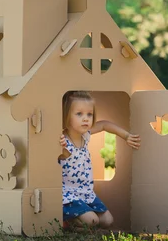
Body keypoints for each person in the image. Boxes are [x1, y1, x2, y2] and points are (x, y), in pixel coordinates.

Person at [58, 91, 141, 229]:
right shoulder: (62, 140)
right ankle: (66, 223)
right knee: (92, 221)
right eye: (79, 114)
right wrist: (57, 141)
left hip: (86, 193)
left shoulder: (85, 135)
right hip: (68, 194)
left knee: (108, 221)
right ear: (66, 115)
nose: (85, 118)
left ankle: (76, 221)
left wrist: (126, 136)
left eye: (89, 114)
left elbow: (104, 125)